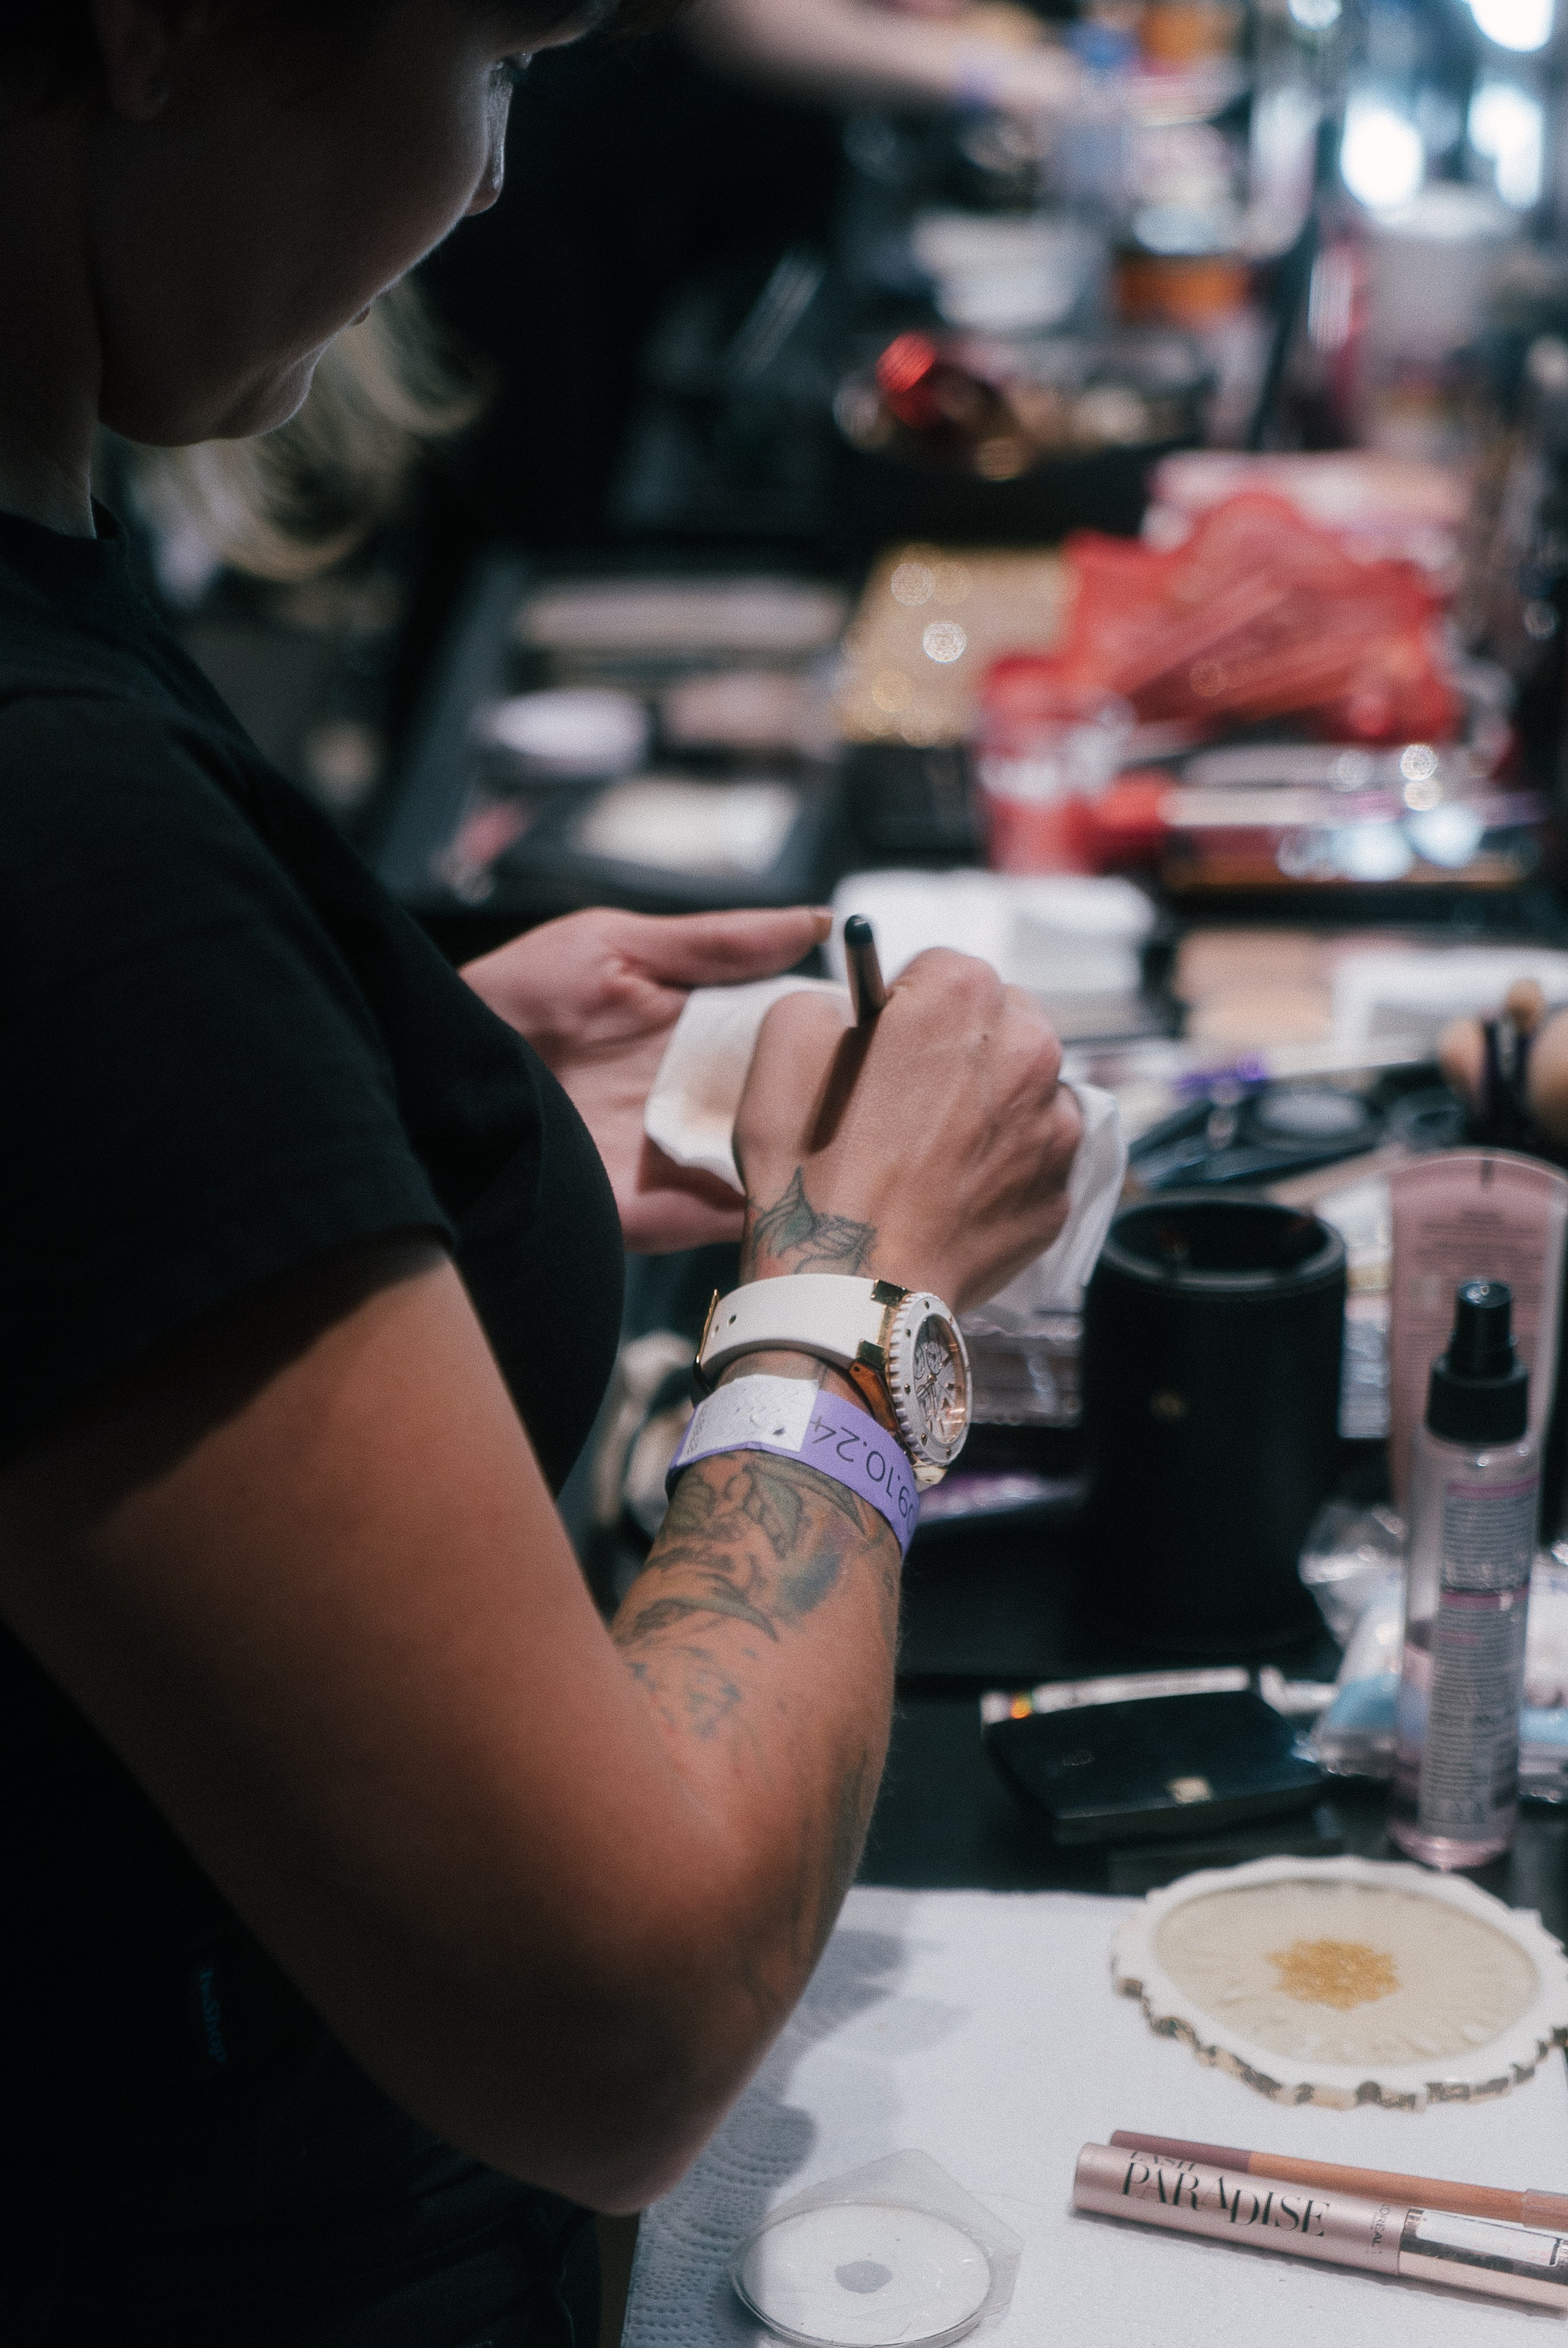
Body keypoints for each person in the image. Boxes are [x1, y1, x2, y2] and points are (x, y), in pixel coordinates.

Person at [0, 6, 1083, 2344]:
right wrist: (858, 1294)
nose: (496, 176)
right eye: (494, 52)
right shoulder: (60, 843)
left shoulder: (57, 602)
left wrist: (373, 1101)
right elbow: (620, 2023)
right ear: (166, 26)